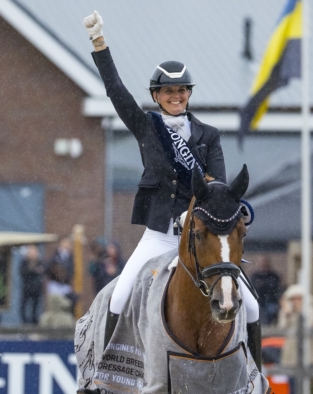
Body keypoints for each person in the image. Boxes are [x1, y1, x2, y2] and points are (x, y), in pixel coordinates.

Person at [82, 10, 261, 364]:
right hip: (161, 233)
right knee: (119, 295)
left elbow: (218, 186)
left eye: (181, 91)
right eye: (168, 91)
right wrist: (99, 43)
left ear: (188, 94)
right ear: (157, 94)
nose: (175, 96)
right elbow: (116, 91)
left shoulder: (208, 136)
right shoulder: (147, 128)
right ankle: (100, 375)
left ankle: (257, 377)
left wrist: (197, 212)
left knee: (252, 307)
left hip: (200, 236)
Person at [251, 256, 282, 325]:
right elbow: (253, 288)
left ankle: (268, 327)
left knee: (271, 310)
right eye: (262, 263)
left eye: (265, 263)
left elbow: (275, 288)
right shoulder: (255, 276)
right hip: (258, 301)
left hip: (271, 301)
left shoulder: (274, 276)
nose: (263, 265)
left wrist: (263, 285)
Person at [20, 245, 46, 324]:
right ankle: (24, 322)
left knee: (35, 307)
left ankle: (34, 322)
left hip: (36, 288)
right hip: (26, 287)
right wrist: (33, 270)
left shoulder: (39, 261)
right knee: (23, 307)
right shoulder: (25, 261)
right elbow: (23, 272)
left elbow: (42, 271)